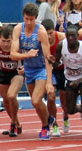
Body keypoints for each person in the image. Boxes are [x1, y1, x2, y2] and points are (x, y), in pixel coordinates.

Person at [10, 3, 56, 141]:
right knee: (35, 101)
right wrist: (27, 55)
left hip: (41, 68)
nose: (29, 22)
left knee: (36, 101)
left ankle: (45, 126)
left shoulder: (40, 31)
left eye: (31, 19)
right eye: (26, 19)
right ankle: (49, 118)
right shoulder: (18, 29)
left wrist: (49, 81)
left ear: (36, 18)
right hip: (29, 69)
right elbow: (13, 54)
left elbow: (48, 58)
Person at [53, 26, 82, 140]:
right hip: (69, 79)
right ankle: (81, 110)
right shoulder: (61, 46)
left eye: (73, 36)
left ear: (78, 37)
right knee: (70, 110)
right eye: (68, 36)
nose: (70, 38)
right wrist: (52, 61)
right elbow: (57, 63)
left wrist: (79, 81)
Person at [0, 25, 25, 137]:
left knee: (11, 96)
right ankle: (17, 123)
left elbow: (30, 55)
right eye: (4, 41)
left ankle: (13, 123)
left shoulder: (18, 44)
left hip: (17, 73)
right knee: (6, 100)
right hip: (3, 72)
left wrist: (26, 67)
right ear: (0, 38)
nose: (6, 44)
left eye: (9, 41)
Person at [42, 19, 70, 137]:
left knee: (64, 101)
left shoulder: (63, 38)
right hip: (50, 71)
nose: (48, 36)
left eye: (51, 33)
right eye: (46, 34)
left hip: (63, 70)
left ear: (55, 31)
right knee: (51, 97)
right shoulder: (41, 40)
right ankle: (54, 124)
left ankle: (66, 116)